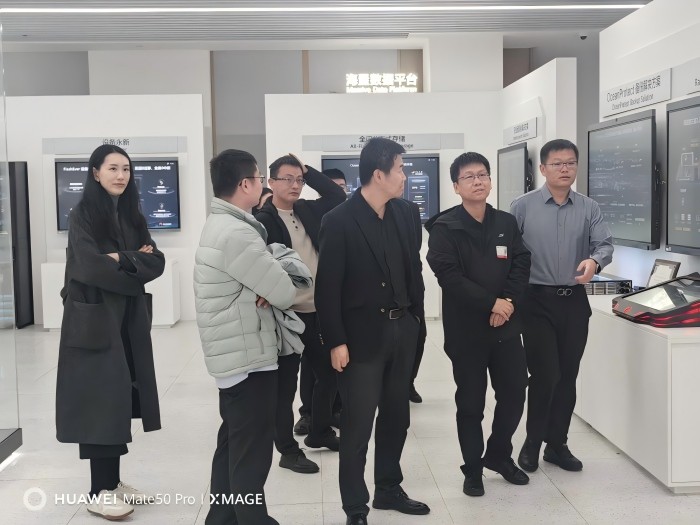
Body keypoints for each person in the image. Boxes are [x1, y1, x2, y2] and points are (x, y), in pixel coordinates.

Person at [316, 137, 429, 525]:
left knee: (397, 418)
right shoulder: (339, 220)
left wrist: (416, 321)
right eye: (400, 168)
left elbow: (413, 270)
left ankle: (388, 489)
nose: (405, 176)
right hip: (360, 340)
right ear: (378, 174)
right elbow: (327, 288)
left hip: (402, 330)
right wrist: (335, 341)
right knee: (357, 426)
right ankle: (355, 507)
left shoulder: (406, 214)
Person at [55, 144, 165, 521]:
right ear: (95, 173)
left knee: (117, 400)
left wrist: (120, 259)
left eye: (126, 169)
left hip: (125, 320)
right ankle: (98, 492)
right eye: (113, 168)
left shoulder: (132, 215)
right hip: (94, 321)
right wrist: (134, 263)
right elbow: (88, 267)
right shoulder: (83, 214)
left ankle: (113, 484)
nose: (121, 175)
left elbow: (157, 262)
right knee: (99, 403)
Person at [194, 149, 300, 525]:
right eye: (258, 178)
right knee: (251, 452)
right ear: (244, 184)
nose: (262, 184)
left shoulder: (221, 223)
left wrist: (265, 280)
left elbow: (268, 284)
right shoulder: (239, 233)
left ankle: (221, 518)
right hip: (247, 356)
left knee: (233, 444)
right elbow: (285, 292)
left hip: (235, 354)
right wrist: (273, 277)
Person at [425, 152, 531, 497]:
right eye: (469, 176)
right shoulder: (444, 228)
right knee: (470, 404)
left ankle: (498, 454)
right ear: (456, 186)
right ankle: (472, 468)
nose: (478, 181)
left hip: (505, 326)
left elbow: (521, 262)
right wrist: (491, 303)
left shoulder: (506, 223)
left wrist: (508, 302)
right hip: (466, 331)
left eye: (483, 174)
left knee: (514, 394)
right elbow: (449, 276)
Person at [510, 139, 613, 474]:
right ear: (543, 168)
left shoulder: (589, 208)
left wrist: (594, 261)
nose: (565, 169)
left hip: (573, 302)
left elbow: (604, 245)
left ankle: (557, 445)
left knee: (567, 376)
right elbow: (508, 251)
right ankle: (531, 443)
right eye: (557, 163)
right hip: (535, 301)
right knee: (545, 374)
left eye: (570, 163)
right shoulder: (522, 207)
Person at [255, 154, 346, 473]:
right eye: (287, 179)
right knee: (285, 387)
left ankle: (319, 431)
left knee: (330, 374)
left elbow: (337, 195)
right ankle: (287, 450)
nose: (295, 185)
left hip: (318, 309)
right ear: (271, 182)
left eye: (299, 180)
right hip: (287, 314)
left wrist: (307, 171)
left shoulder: (307, 209)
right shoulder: (263, 220)